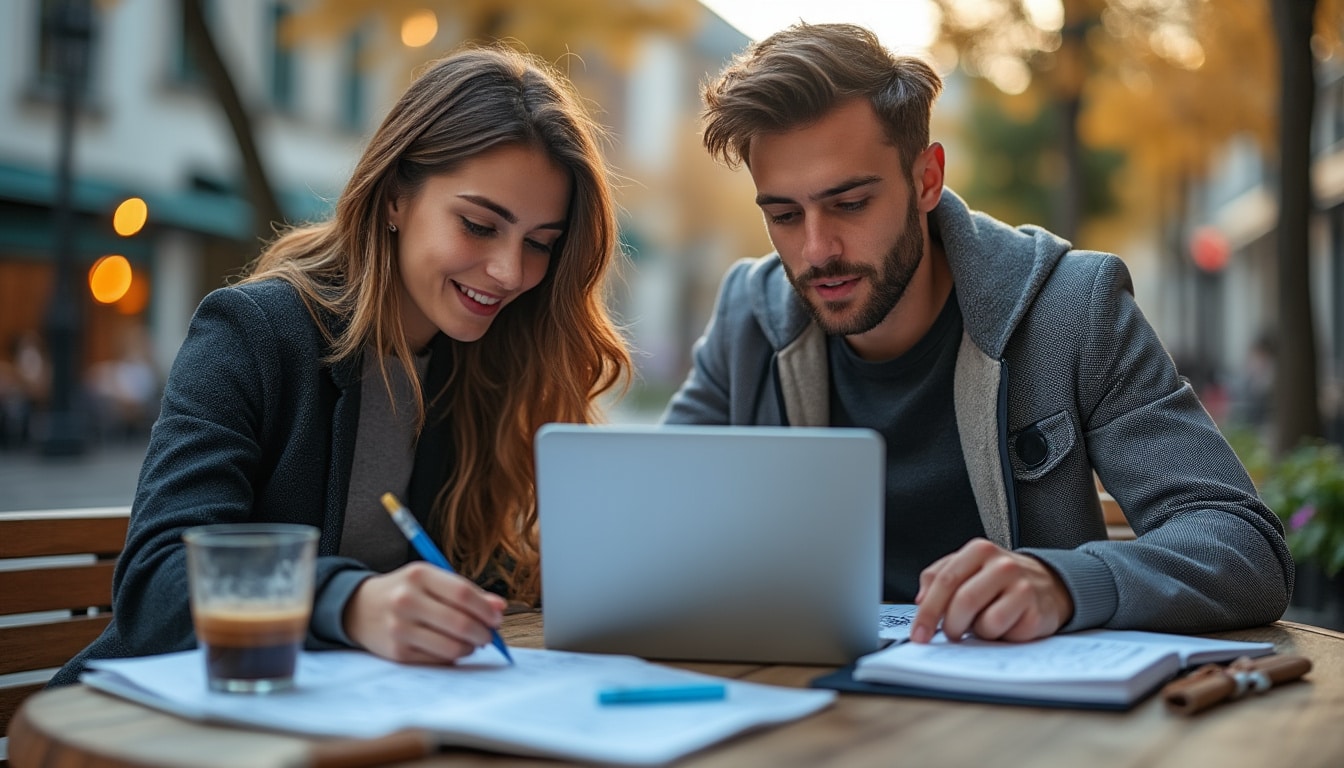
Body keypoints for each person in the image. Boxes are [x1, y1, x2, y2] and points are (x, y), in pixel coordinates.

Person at [663, 22, 1292, 644]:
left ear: (926, 180)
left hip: (1012, 704)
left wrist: (1063, 583)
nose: (817, 249)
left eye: (850, 204)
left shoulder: (1075, 308)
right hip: (802, 693)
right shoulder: (748, 315)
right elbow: (652, 520)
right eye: (783, 215)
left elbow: (1245, 548)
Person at [52, 45, 630, 684]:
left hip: (342, 712)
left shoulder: (481, 364)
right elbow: (156, 581)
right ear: (395, 198)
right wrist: (350, 603)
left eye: (540, 244)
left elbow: (467, 574)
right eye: (478, 225)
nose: (510, 272)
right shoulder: (253, 332)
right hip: (159, 712)